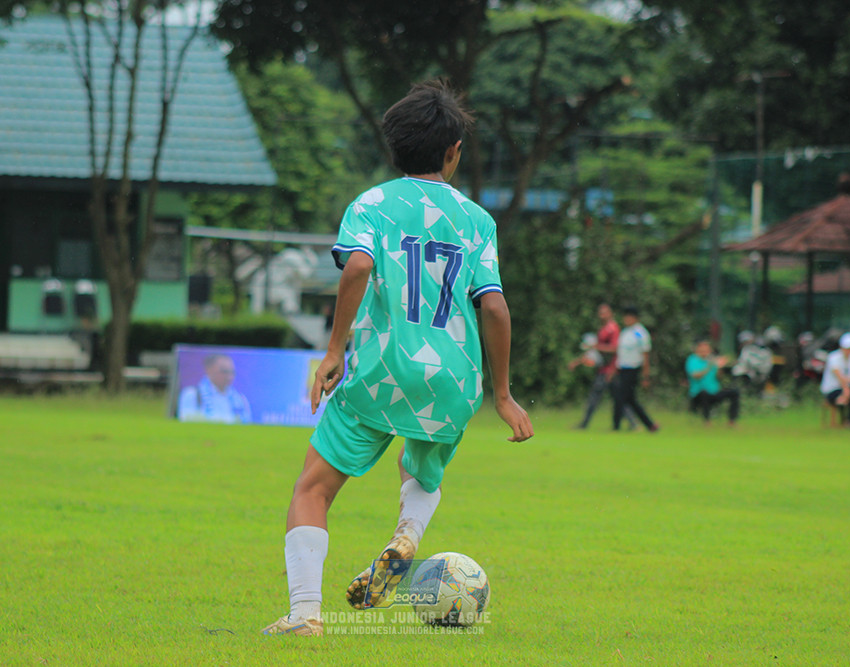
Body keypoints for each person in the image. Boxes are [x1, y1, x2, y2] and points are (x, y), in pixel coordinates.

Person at [262, 80, 534, 637]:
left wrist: (334, 349)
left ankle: (305, 616)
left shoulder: (372, 204)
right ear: (453, 151)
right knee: (423, 472)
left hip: (382, 371)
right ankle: (407, 534)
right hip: (453, 379)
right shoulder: (477, 221)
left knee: (312, 489)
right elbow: (496, 307)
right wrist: (501, 394)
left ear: (394, 146)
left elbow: (358, 268)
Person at [567, 303, 636, 430]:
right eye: (600, 313)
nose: (602, 315)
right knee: (617, 397)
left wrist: (596, 348)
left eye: (605, 312)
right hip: (604, 369)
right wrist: (577, 362)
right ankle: (633, 423)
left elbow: (615, 349)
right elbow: (594, 352)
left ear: (610, 314)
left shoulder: (613, 329)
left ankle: (584, 424)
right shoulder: (603, 329)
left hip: (611, 370)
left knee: (597, 397)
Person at [612, 306, 658, 432]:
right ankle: (650, 425)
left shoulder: (639, 332)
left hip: (633, 368)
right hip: (623, 368)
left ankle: (616, 426)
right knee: (630, 399)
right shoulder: (625, 332)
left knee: (620, 397)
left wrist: (645, 375)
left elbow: (645, 353)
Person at [176, 354, 253, 423]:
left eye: (232, 372)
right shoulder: (192, 394)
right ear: (209, 370)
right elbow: (186, 418)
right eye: (224, 371)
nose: (229, 376)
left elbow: (247, 422)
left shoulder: (240, 399)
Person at [685, 340, 740, 426]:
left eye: (707, 350)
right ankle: (707, 421)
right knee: (704, 393)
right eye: (702, 351)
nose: (705, 353)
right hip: (698, 394)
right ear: (697, 350)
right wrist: (709, 366)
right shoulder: (692, 360)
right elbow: (696, 375)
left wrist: (720, 367)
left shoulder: (712, 361)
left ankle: (732, 421)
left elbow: (719, 378)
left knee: (734, 392)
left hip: (714, 392)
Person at [820, 332, 850, 428]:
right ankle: (843, 420)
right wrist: (846, 390)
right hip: (832, 389)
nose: (849, 351)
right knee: (849, 395)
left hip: (848, 388)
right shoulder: (833, 357)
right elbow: (838, 376)